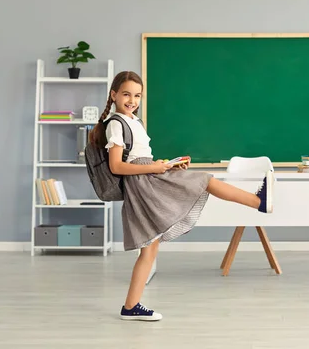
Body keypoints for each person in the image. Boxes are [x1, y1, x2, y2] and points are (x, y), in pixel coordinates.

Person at [88, 71, 274, 322]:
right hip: (142, 185)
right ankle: (257, 202)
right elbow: (117, 167)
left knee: (150, 250)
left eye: (137, 95)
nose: (132, 100)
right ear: (114, 95)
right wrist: (155, 168)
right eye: (126, 94)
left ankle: (130, 306)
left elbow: (138, 158)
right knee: (205, 180)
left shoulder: (135, 121)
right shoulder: (116, 124)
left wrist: (165, 165)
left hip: (148, 178)